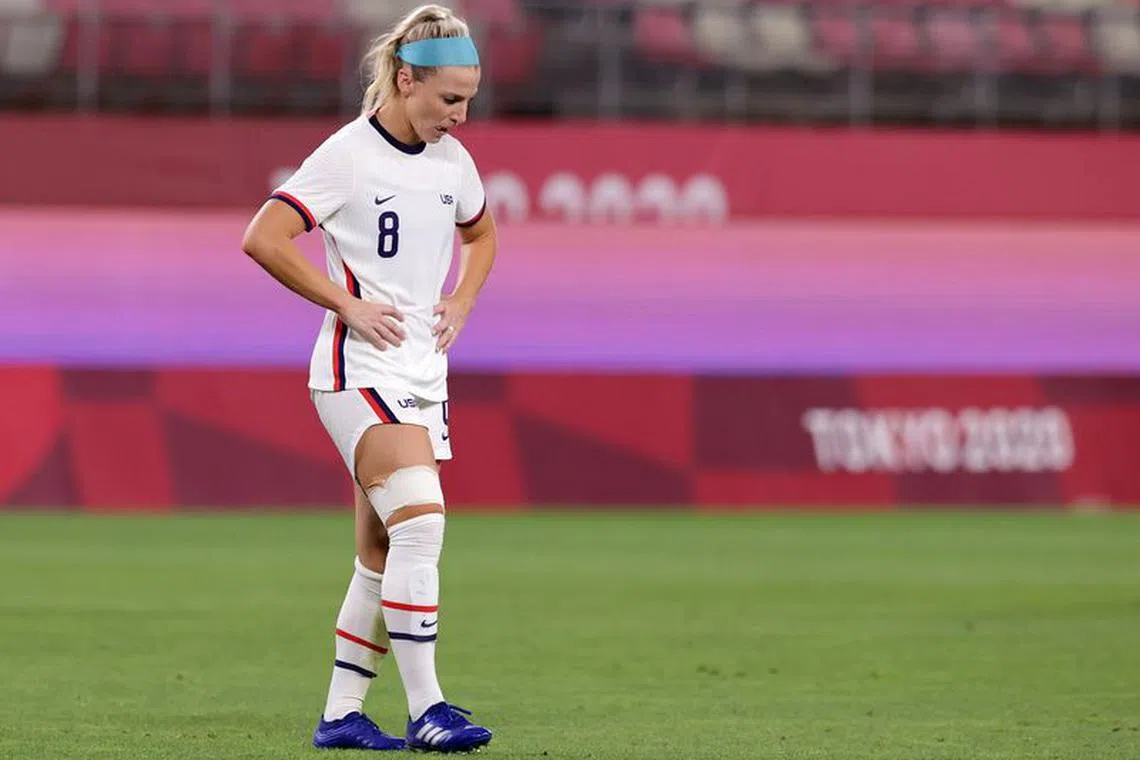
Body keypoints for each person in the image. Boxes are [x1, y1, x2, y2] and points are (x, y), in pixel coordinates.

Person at [240, 4, 497, 752]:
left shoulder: (453, 163)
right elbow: (264, 236)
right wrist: (345, 302)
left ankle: (342, 714)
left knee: (381, 552)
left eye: (470, 98)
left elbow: (481, 234)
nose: (461, 114)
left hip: (422, 373)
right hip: (357, 372)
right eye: (450, 98)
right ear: (407, 79)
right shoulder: (350, 154)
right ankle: (429, 710)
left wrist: (462, 298)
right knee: (423, 524)